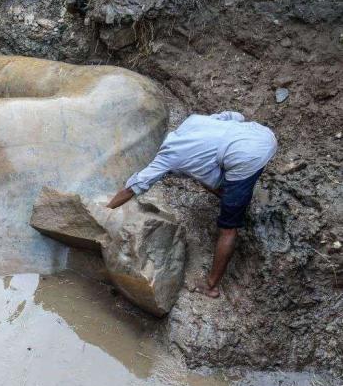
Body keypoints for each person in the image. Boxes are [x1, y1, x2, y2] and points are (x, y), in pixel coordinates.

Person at [106, 111, 277, 298]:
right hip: (263, 135)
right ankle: (233, 197)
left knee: (228, 228)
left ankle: (211, 286)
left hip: (248, 157)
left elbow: (134, 186)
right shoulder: (192, 122)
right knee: (206, 172)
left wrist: (105, 211)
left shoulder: (167, 157)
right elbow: (235, 116)